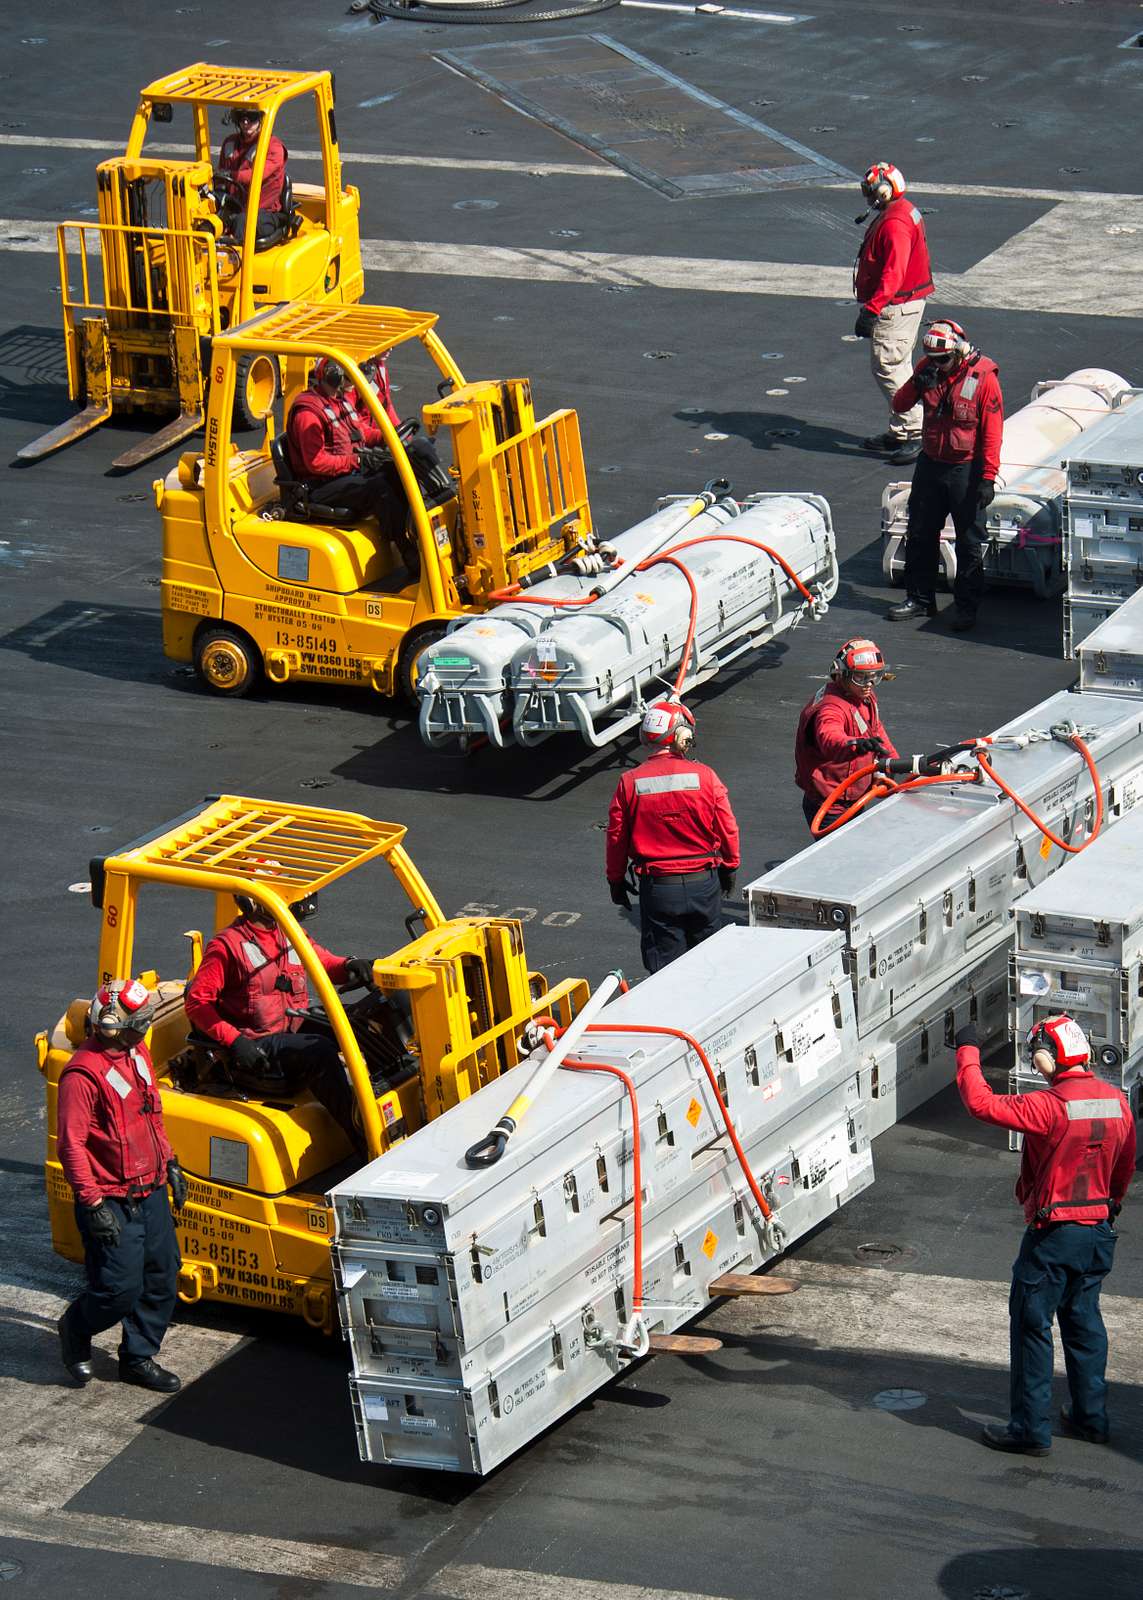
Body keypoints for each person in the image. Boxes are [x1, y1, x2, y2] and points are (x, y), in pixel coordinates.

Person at [955, 1014, 1136, 1456]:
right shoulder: (1117, 1101)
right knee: (1084, 1322)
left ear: (1046, 1057)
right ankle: (1091, 1419)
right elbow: (1125, 1169)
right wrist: (1106, 1210)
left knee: (1033, 1326)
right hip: (1097, 1232)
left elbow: (981, 1103)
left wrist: (968, 1049)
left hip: (1054, 1235)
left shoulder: (1048, 1105)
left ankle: (1030, 1429)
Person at [56, 980, 187, 1392]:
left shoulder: (137, 1054)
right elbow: (71, 1145)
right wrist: (92, 1203)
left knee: (164, 1274)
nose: (145, 1029)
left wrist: (171, 1164)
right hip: (110, 1197)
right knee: (119, 1289)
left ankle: (138, 1357)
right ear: (114, 1025)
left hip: (149, 1188)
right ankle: (76, 1329)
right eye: (140, 1023)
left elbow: (153, 1114)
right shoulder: (82, 1074)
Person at [184, 892, 374, 1142]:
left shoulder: (288, 932)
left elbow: (323, 962)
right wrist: (235, 1040)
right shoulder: (227, 945)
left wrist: (350, 964)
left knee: (361, 1021)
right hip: (257, 1049)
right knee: (321, 1051)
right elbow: (197, 1003)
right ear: (253, 901)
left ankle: (382, 1099)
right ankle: (363, 1137)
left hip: (291, 1027)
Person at [605, 698, 740, 974]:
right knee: (711, 965)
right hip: (704, 884)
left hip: (658, 890)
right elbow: (728, 828)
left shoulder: (629, 782)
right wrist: (730, 867)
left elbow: (616, 837)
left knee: (666, 972)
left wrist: (616, 880)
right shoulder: (706, 776)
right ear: (682, 736)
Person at [887, 319, 1003, 632]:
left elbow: (992, 433)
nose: (937, 364)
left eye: (943, 359)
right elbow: (899, 404)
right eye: (933, 359)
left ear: (959, 352)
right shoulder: (928, 368)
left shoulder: (983, 379)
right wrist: (916, 383)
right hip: (930, 464)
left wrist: (988, 477)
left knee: (969, 542)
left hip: (966, 469)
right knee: (921, 532)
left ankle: (966, 608)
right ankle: (920, 599)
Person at [286, 357, 423, 576]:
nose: (353, 386)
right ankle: (409, 554)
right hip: (320, 486)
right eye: (349, 379)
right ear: (334, 376)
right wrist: (358, 460)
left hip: (345, 473)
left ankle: (419, 538)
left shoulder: (338, 400)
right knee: (379, 488)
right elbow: (316, 463)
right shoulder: (308, 414)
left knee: (399, 472)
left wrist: (387, 437)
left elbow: (360, 433)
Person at [852, 161, 934, 465]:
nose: (867, 197)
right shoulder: (903, 211)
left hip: (895, 306)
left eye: (870, 191)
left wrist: (872, 309)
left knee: (888, 366)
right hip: (905, 303)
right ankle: (901, 431)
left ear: (883, 191)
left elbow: (894, 272)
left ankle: (915, 431)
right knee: (899, 364)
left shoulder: (894, 223)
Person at [794, 639, 898, 833]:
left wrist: (891, 759)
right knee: (842, 860)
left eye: (874, 677)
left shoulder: (863, 696)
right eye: (861, 677)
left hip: (852, 798)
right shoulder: (831, 707)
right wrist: (855, 745)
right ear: (842, 674)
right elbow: (830, 737)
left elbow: (874, 728)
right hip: (830, 806)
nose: (868, 684)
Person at [214, 106, 289, 250]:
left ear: (261, 119)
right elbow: (220, 176)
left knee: (242, 221)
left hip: (265, 212)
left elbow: (256, 175)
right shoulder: (230, 144)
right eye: (242, 118)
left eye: (251, 118)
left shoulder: (273, 147)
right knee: (205, 218)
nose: (246, 123)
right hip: (235, 206)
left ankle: (235, 264)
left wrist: (232, 175)